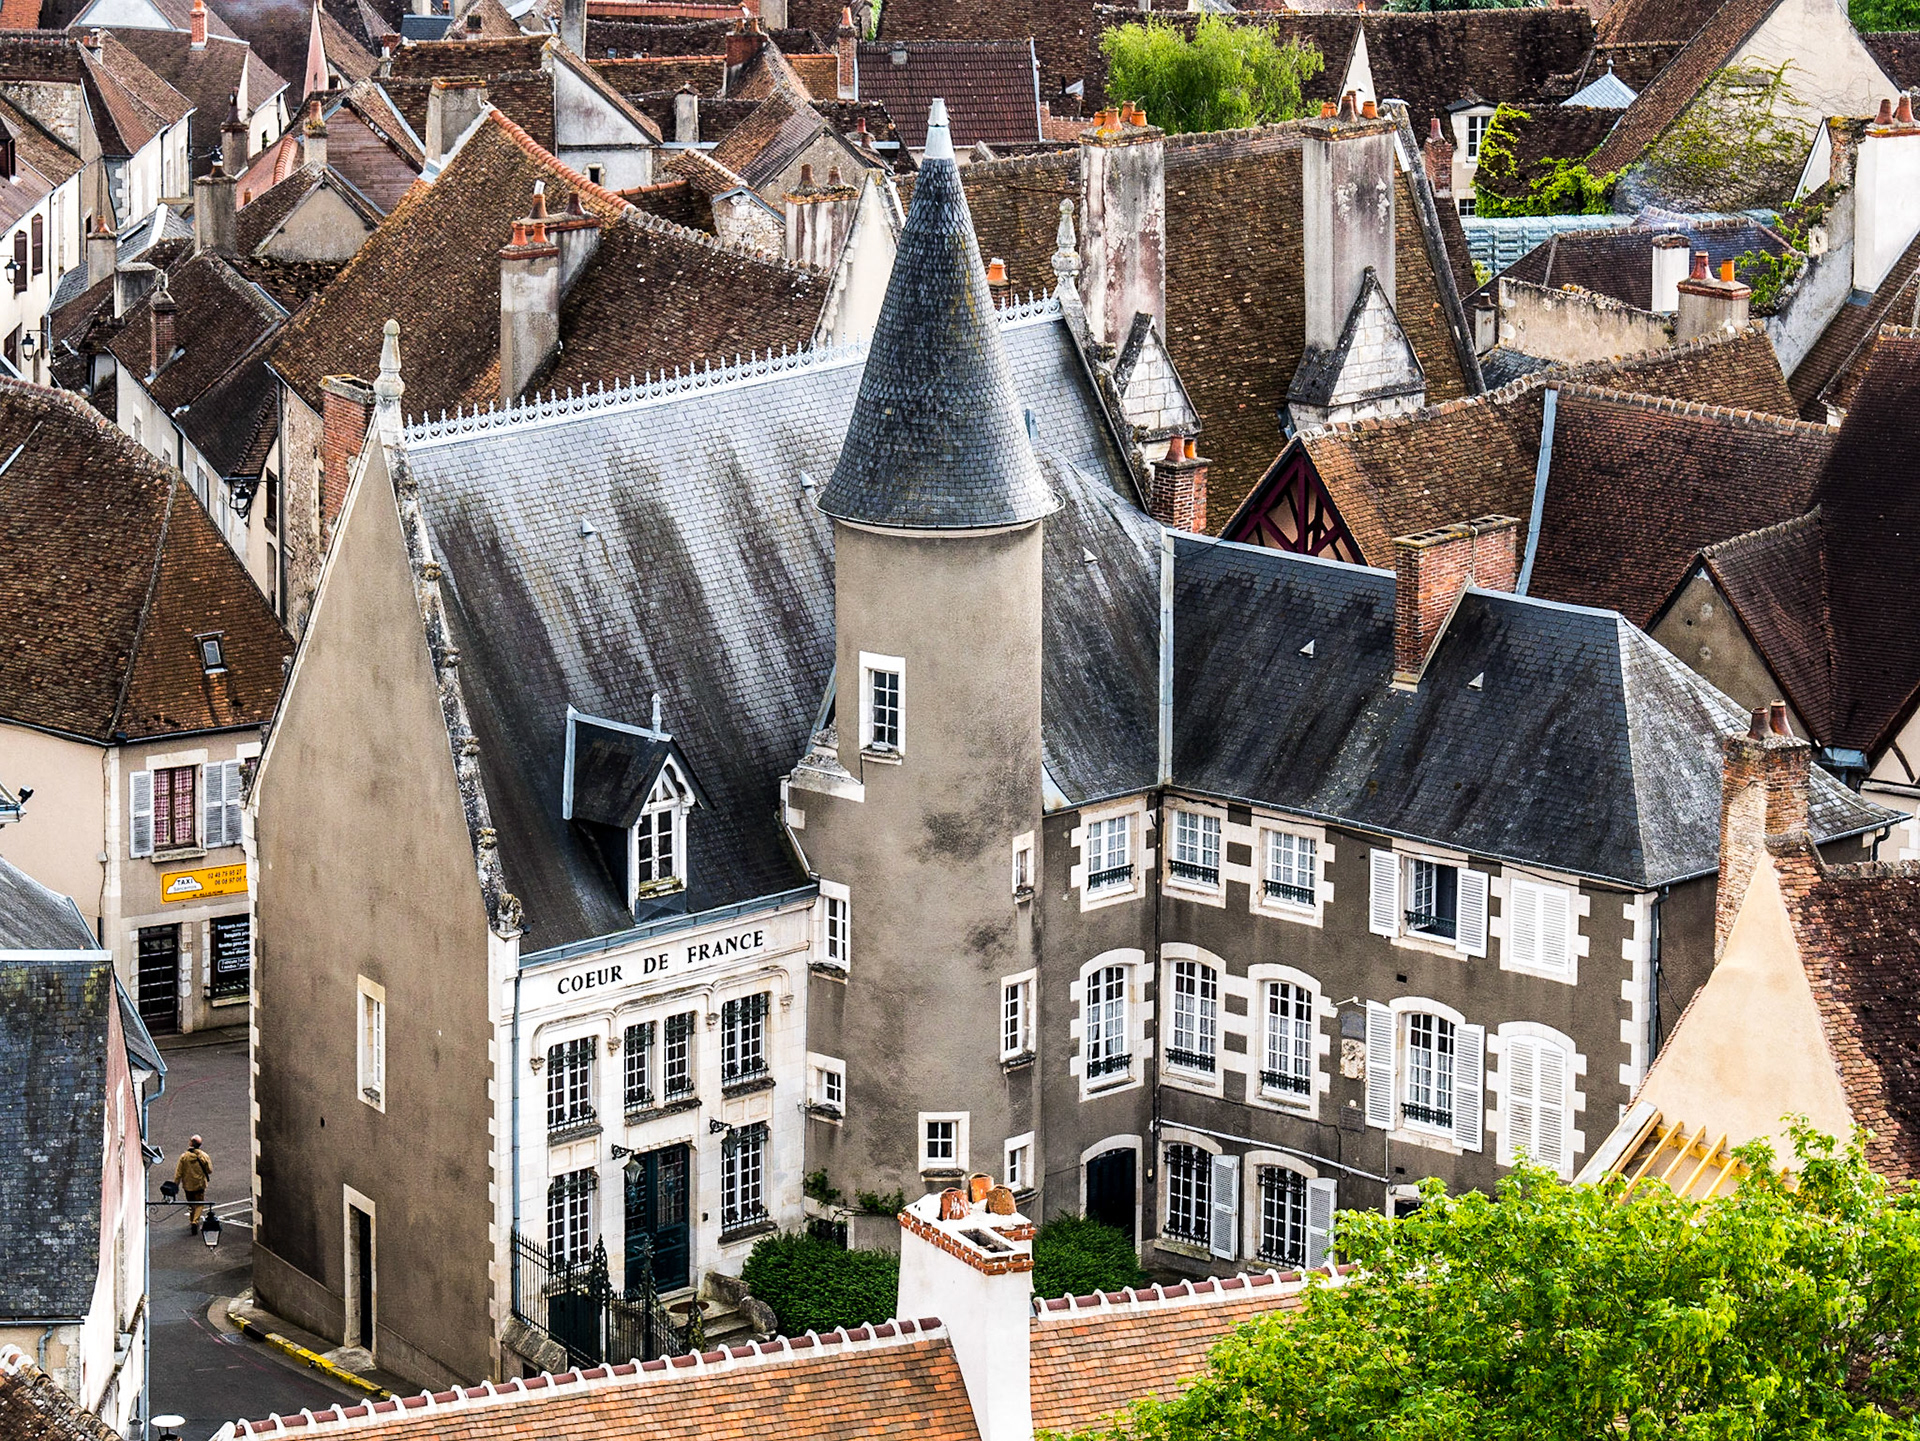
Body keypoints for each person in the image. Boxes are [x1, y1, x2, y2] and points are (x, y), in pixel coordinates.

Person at [175, 1136, 212, 1230]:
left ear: (191, 1143)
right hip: (199, 1184)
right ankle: (195, 1221)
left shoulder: (184, 1157)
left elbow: (178, 1173)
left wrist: (176, 1184)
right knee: (199, 1203)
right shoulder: (204, 1156)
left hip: (188, 1185)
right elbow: (209, 1170)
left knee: (190, 1203)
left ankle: (191, 1220)